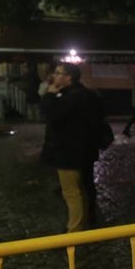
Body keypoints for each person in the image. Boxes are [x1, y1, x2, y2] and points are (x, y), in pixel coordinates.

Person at [40, 62, 105, 232]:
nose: (54, 76)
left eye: (58, 73)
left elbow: (51, 115)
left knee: (71, 192)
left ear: (68, 77)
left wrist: (50, 95)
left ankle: (75, 230)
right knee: (85, 187)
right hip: (86, 150)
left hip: (68, 152)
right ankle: (87, 219)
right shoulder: (88, 94)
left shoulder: (69, 97)